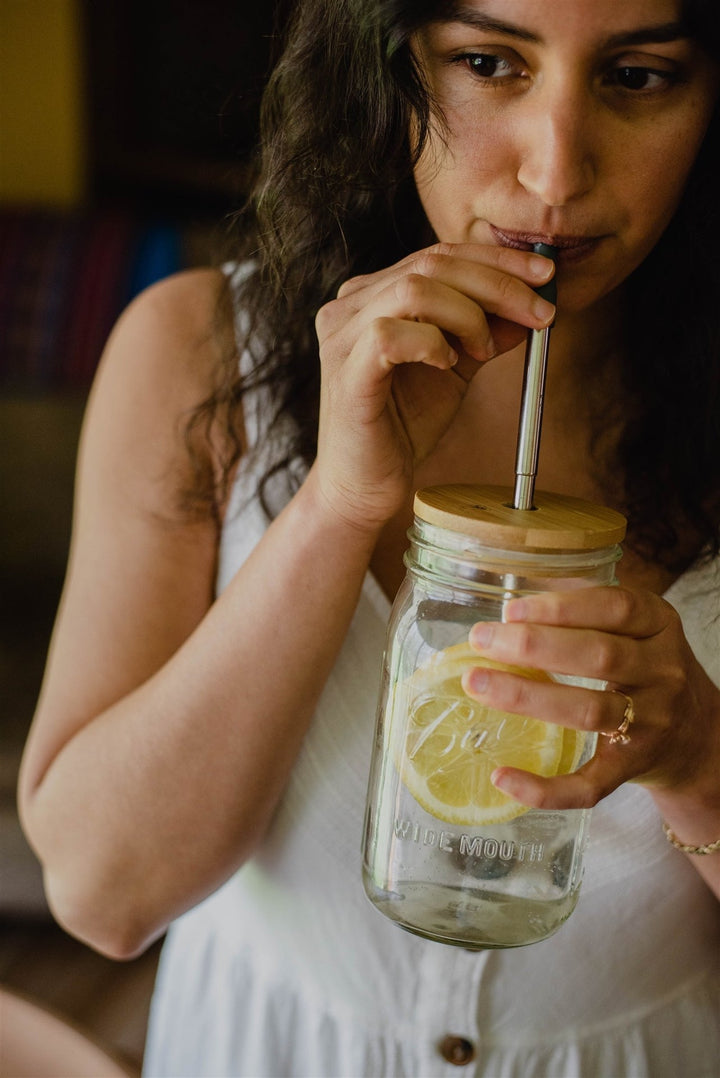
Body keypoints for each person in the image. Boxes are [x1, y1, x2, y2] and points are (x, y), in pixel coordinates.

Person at [18, 0, 720, 1074]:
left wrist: (700, 760)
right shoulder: (197, 356)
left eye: (638, 77)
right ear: (386, 69)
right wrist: (335, 507)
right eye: (489, 62)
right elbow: (105, 897)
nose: (556, 171)